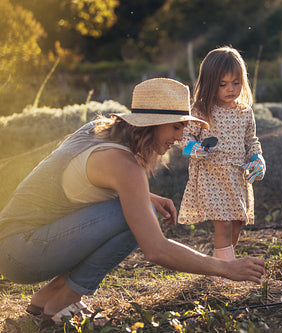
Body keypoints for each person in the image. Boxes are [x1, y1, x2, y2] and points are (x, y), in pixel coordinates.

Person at [0, 78, 265, 326]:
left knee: (140, 207)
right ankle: (62, 302)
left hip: (12, 243)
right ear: (150, 123)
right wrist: (225, 267)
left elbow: (73, 179)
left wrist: (144, 195)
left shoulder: (98, 131)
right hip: (22, 252)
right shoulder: (124, 165)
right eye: (176, 127)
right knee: (137, 215)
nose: (178, 138)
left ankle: (49, 298)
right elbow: (156, 249)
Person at [179, 46, 266, 267]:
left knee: (236, 224)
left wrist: (257, 157)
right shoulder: (201, 109)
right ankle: (225, 275)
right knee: (224, 225)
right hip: (212, 175)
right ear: (210, 83)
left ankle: (219, 268)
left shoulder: (245, 111)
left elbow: (251, 140)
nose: (231, 89)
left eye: (236, 83)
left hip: (237, 176)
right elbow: (184, 136)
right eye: (223, 84)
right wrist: (194, 148)